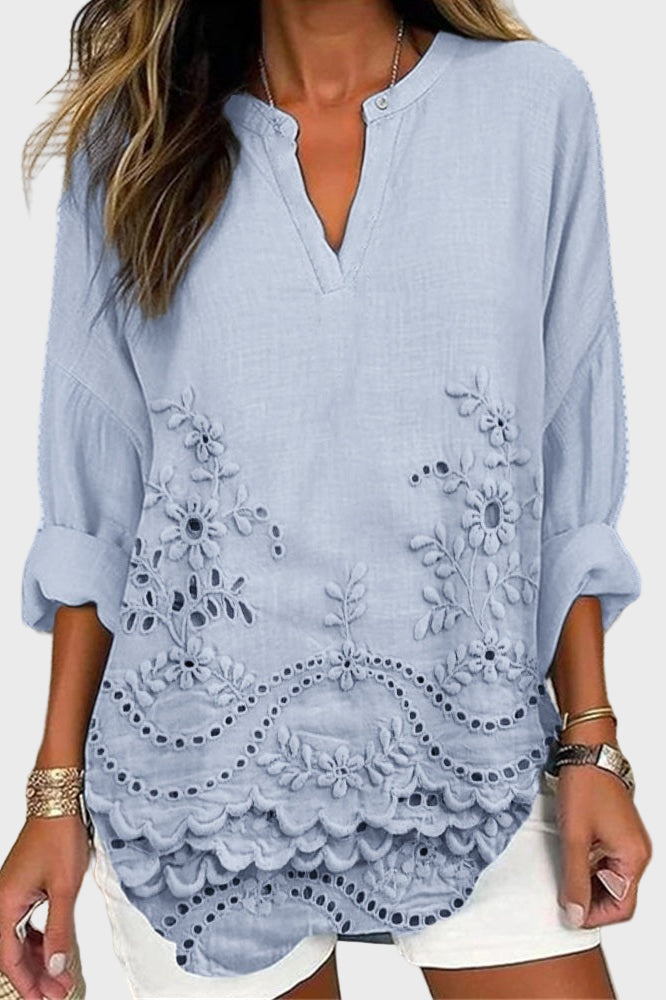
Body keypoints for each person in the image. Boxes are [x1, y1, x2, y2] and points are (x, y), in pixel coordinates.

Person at [0, 1, 653, 998]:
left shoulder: (534, 107)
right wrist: (55, 796)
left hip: (476, 745)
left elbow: (565, 462)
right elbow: (100, 512)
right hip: (196, 787)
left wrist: (592, 743)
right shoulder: (136, 137)